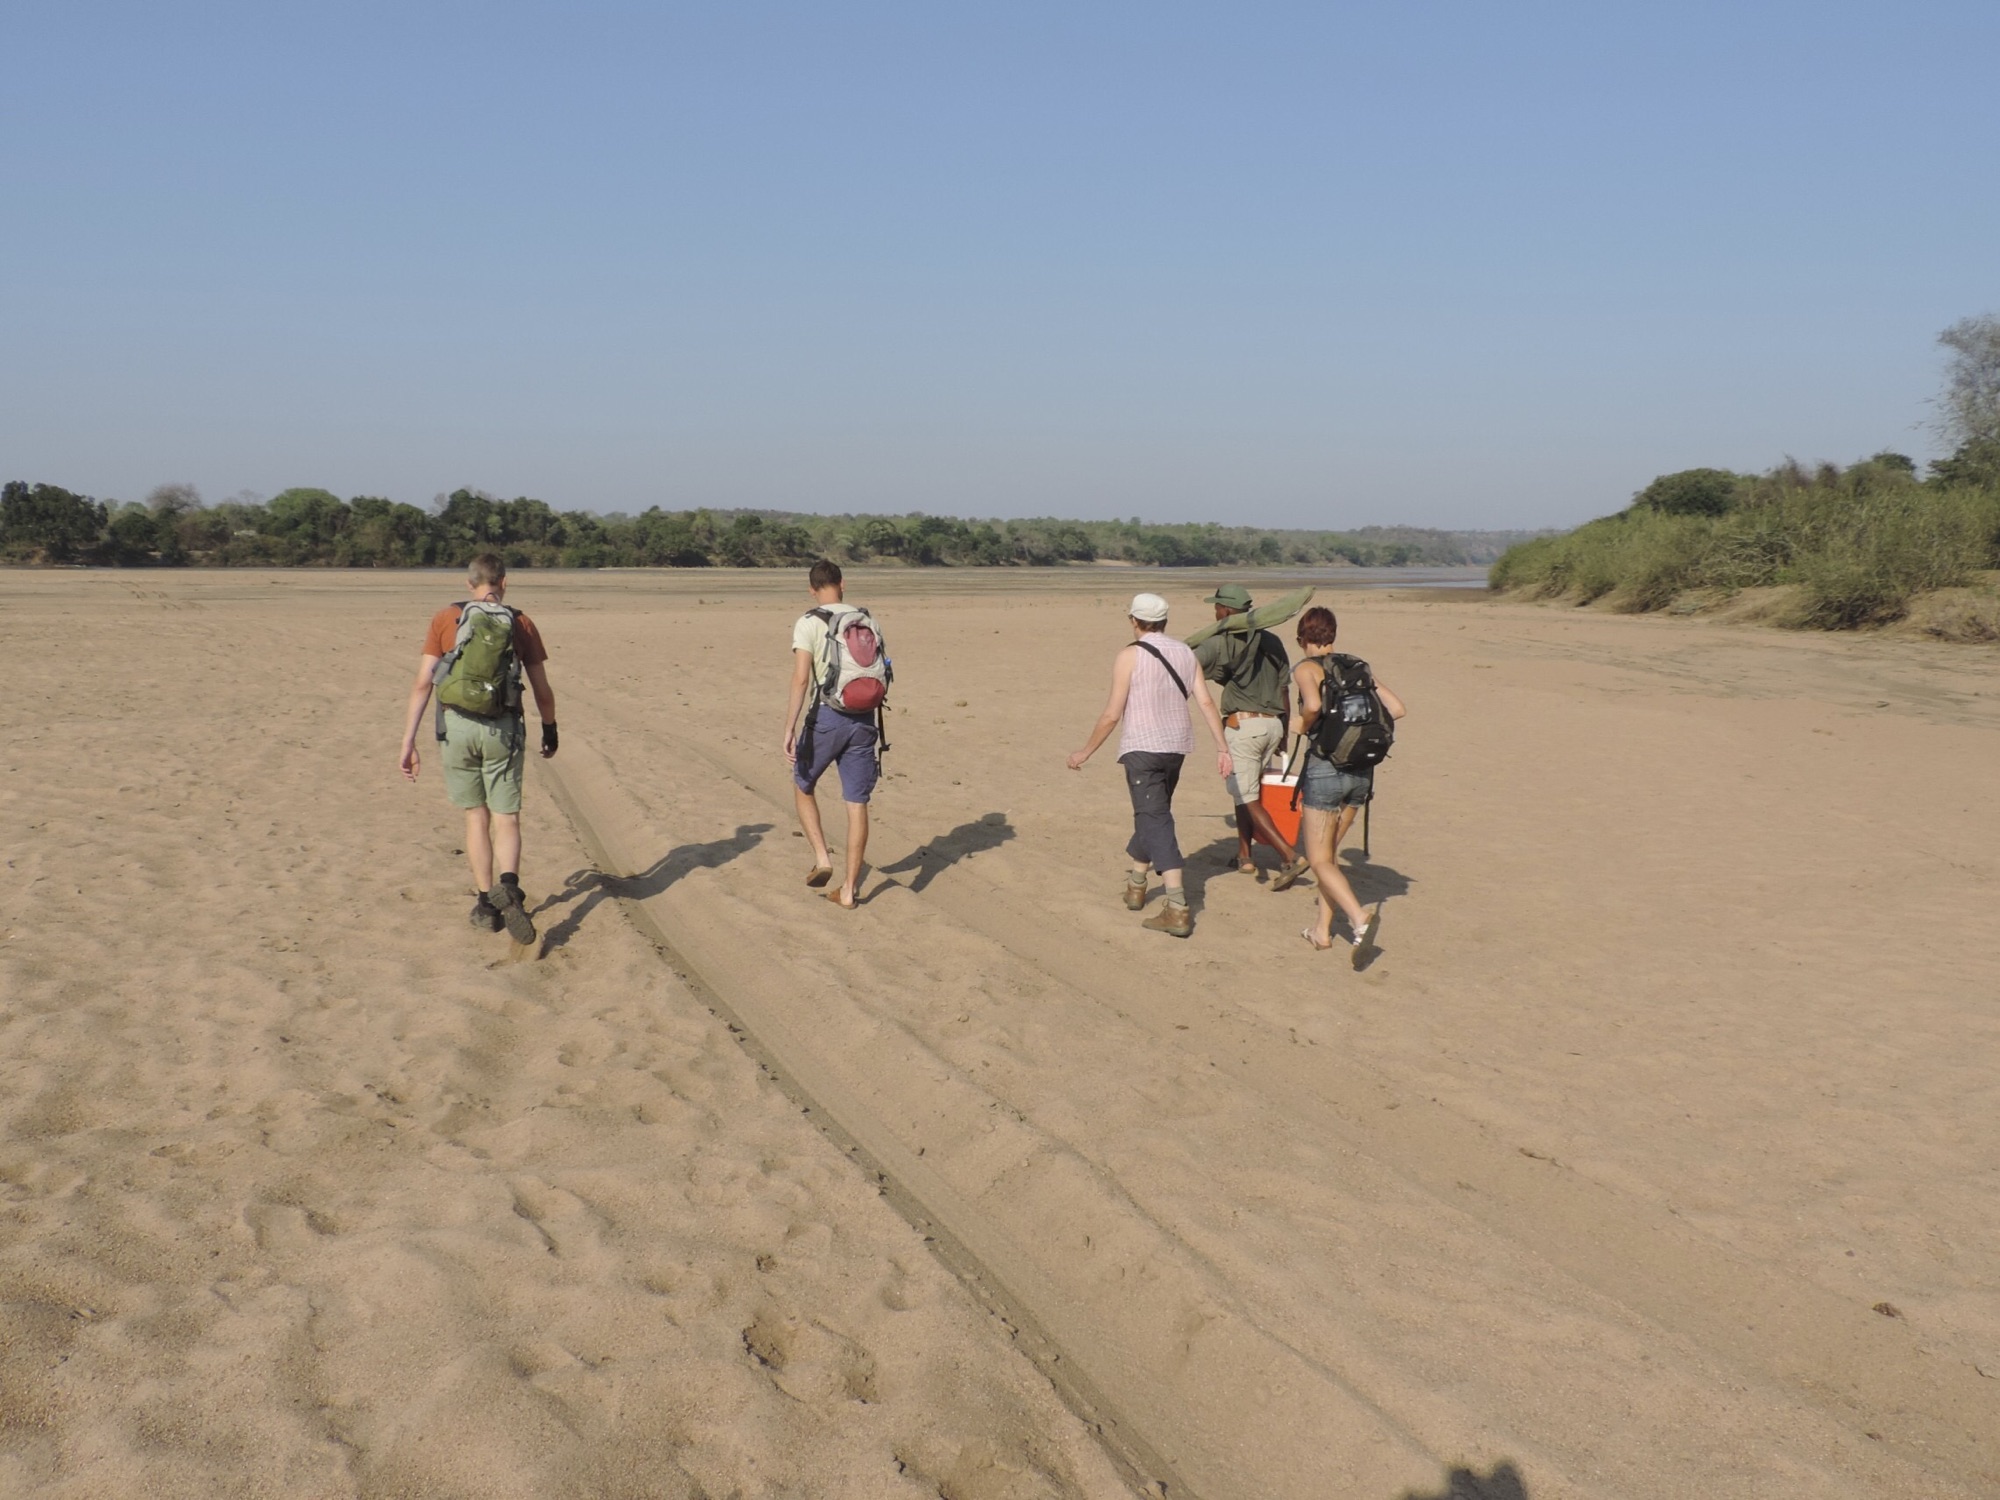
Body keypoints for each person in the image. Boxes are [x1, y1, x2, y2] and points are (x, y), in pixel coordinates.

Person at [398, 552, 558, 945]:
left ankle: (487, 904)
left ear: (469, 584)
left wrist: (408, 741)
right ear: (505, 582)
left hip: (457, 727)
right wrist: (550, 729)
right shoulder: (520, 623)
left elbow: (423, 683)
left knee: (475, 816)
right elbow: (542, 689)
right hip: (503, 728)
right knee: (507, 818)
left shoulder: (445, 619)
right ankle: (510, 886)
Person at [1067, 592, 1233, 938]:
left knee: (1155, 818)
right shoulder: (1185, 652)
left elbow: (1112, 713)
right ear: (1164, 621)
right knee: (1152, 813)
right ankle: (1137, 884)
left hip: (1142, 748)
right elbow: (1205, 702)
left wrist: (1085, 751)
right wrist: (1222, 747)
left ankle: (1176, 906)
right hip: (1176, 747)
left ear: (1133, 620)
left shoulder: (1129, 656)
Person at [1288, 605, 1405, 967]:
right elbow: (1397, 708)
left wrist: (1301, 725)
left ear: (1302, 638)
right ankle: (1322, 932)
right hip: (1361, 771)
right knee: (1331, 857)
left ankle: (1359, 918)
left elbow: (1312, 705)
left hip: (1326, 770)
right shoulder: (1358, 666)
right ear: (1333, 635)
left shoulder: (1306, 668)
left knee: (1319, 859)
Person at [1194, 583, 1310, 889]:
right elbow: (1284, 689)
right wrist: (1283, 733)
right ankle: (1245, 856)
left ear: (1226, 611)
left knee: (1246, 795)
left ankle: (1290, 856)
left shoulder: (1221, 642)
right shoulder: (1272, 640)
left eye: (1217, 607)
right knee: (1244, 792)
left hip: (1244, 728)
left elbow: (1190, 663)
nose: (1215, 613)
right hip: (1273, 726)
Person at [783, 559, 882, 909]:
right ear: (842, 584)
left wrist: (790, 726)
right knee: (857, 803)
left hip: (827, 716)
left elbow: (801, 679)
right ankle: (849, 890)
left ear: (812, 590)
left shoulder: (809, 622)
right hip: (865, 717)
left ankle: (823, 857)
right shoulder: (866, 619)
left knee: (803, 783)